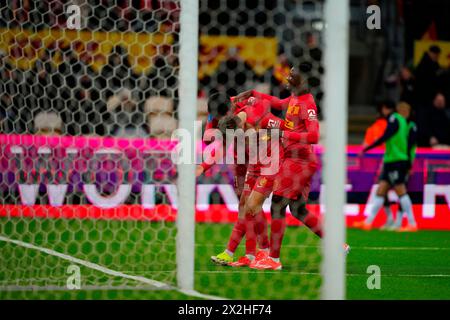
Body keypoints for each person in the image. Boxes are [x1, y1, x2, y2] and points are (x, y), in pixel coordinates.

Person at [234, 64, 349, 270]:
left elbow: (314, 136)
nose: (287, 76)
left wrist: (284, 134)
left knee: (277, 204)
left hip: (300, 161)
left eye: (292, 74)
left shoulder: (308, 104)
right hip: (293, 159)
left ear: (302, 78)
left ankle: (274, 260)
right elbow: (278, 103)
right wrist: (253, 94)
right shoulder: (295, 98)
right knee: (298, 210)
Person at [356, 101, 418, 232]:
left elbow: (386, 136)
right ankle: (368, 222)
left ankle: (412, 223)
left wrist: (367, 148)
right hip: (391, 159)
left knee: (400, 189)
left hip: (396, 160)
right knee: (381, 189)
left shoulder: (394, 118)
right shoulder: (403, 122)